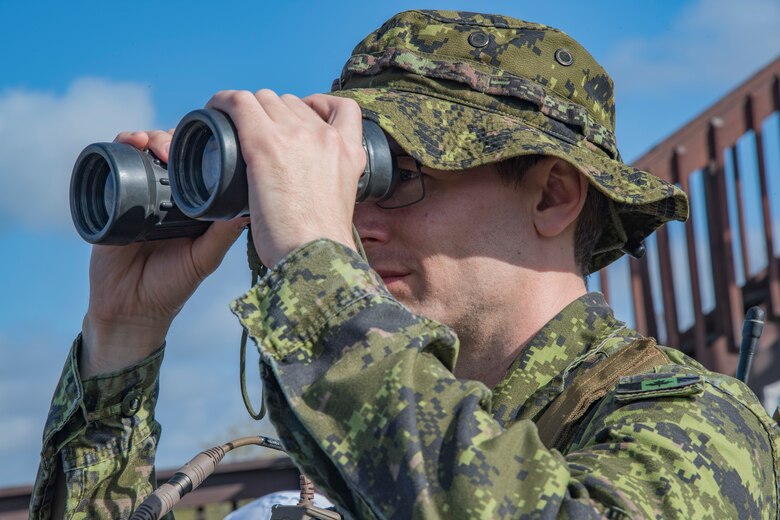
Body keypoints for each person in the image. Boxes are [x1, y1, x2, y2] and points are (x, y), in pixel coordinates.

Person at [31, 9, 779, 519]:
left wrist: (314, 277)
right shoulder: (359, 449)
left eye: (397, 176)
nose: (356, 223)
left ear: (552, 195)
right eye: (344, 182)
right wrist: (122, 344)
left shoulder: (694, 424)